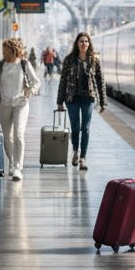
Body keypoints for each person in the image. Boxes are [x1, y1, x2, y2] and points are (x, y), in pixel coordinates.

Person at [0, 37, 39, 182]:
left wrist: (33, 90)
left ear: (13, 50)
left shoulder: (24, 64)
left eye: (7, 50)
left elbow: (35, 81)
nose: (5, 52)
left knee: (19, 134)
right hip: (4, 105)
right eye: (4, 50)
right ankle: (11, 161)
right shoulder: (1, 65)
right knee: (7, 137)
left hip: (21, 104)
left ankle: (18, 167)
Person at [57, 32, 106, 171]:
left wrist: (103, 101)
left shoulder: (94, 60)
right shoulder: (69, 59)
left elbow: (100, 80)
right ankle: (75, 151)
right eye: (81, 41)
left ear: (89, 44)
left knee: (86, 128)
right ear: (77, 44)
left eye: (86, 41)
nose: (84, 43)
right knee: (75, 127)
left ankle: (83, 158)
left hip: (87, 98)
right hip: (72, 98)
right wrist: (60, 101)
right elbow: (63, 81)